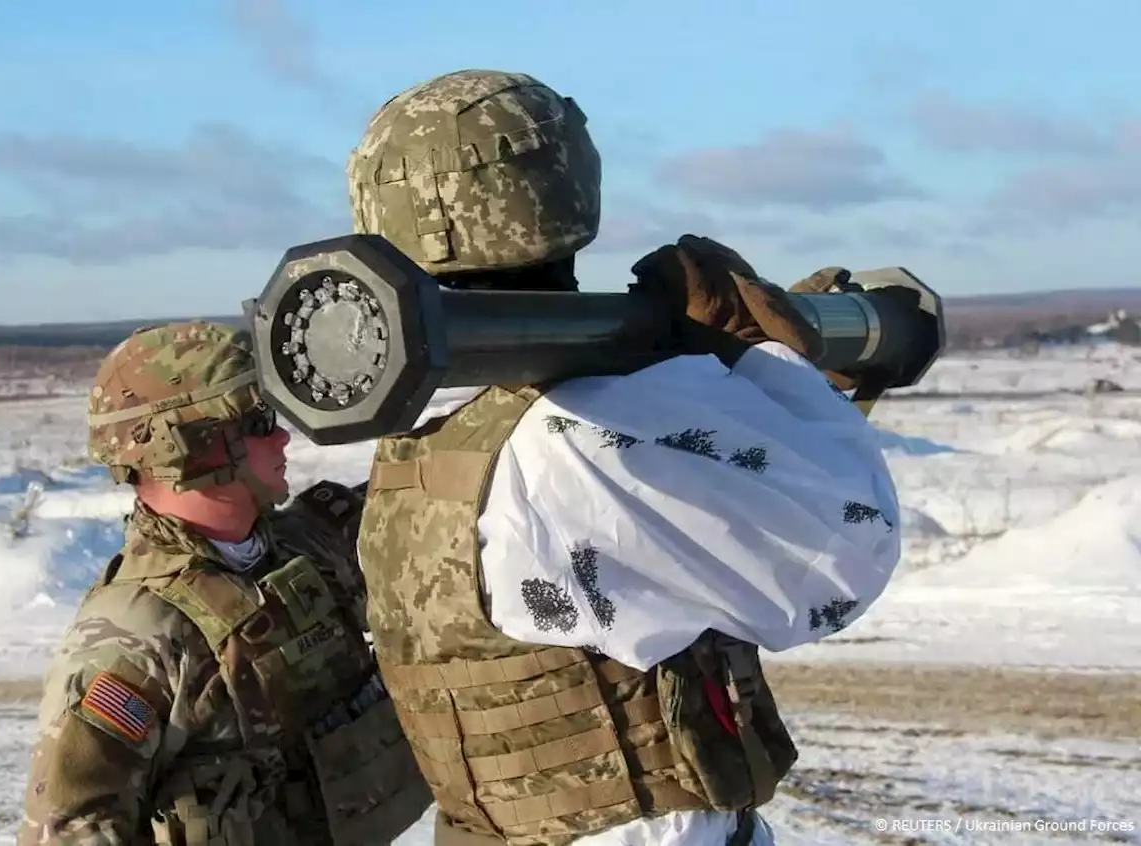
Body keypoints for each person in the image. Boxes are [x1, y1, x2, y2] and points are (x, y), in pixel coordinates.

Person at [346, 69, 903, 846]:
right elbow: (843, 556)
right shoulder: (590, 429)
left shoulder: (424, 427)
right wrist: (766, 365)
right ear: (565, 186)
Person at [18, 320, 432, 846]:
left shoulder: (304, 547)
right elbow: (70, 829)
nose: (283, 436)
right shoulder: (133, 637)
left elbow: (424, 497)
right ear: (193, 446)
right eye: (260, 423)